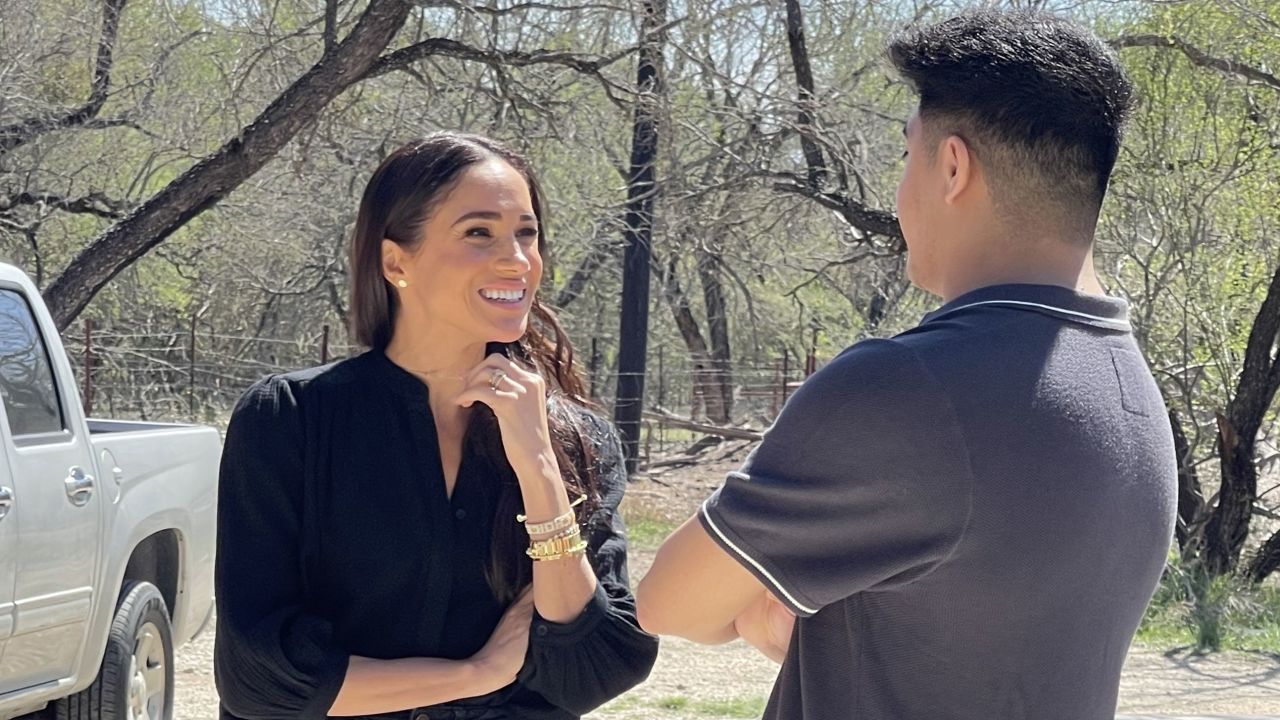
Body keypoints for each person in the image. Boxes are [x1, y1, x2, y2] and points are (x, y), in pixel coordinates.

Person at [635, 9, 1176, 719]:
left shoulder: (907, 388)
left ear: (952, 167)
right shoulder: (1132, 389)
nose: (899, 192)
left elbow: (670, 604)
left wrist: (773, 607)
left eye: (904, 156)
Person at [214, 132, 658, 720]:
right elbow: (257, 676)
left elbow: (599, 664)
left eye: (526, 233)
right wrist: (474, 675)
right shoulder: (290, 420)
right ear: (397, 260)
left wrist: (539, 468)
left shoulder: (578, 439)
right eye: (479, 233)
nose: (516, 258)